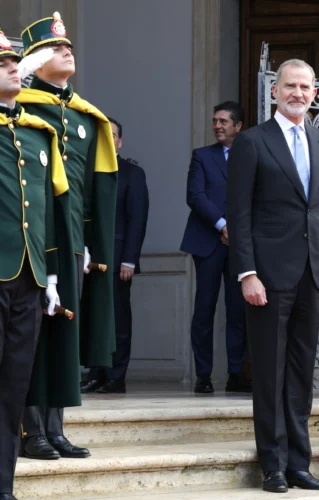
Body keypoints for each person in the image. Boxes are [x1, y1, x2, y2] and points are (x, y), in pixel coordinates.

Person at [227, 59, 319, 493]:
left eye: (305, 87)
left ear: (314, 93)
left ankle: (299, 464)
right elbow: (238, 214)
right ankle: (271, 466)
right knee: (271, 374)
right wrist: (247, 273)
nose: (298, 93)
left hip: (312, 276)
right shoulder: (253, 142)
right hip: (268, 277)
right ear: (274, 91)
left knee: (300, 375)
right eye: (290, 86)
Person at [17, 12, 117, 460]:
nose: (67, 51)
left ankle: (55, 426)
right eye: (57, 47)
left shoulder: (82, 116)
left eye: (70, 46)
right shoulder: (21, 108)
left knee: (64, 337)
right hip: (33, 242)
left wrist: (90, 243)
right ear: (34, 63)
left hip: (73, 241)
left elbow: (91, 190)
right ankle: (29, 428)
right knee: (32, 339)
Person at [0, 33, 67, 500]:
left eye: (13, 61)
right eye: (1, 61)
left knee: (13, 390)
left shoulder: (38, 132)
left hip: (28, 278)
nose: (10, 67)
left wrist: (52, 276)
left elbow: (46, 211)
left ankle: (3, 485)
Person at [179, 101, 248, 394]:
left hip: (240, 245)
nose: (217, 126)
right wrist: (222, 225)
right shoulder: (202, 156)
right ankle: (203, 375)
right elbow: (195, 196)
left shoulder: (250, 156)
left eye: (223, 121)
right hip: (208, 241)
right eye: (214, 121)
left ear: (238, 126)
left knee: (238, 310)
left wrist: (238, 231)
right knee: (204, 309)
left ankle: (236, 373)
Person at [81, 117, 149, 394]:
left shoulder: (132, 173)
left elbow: (137, 220)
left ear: (119, 141)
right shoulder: (86, 171)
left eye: (113, 135)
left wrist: (129, 259)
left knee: (118, 319)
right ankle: (96, 373)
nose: (107, 140)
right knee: (93, 316)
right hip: (89, 259)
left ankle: (116, 377)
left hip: (119, 257)